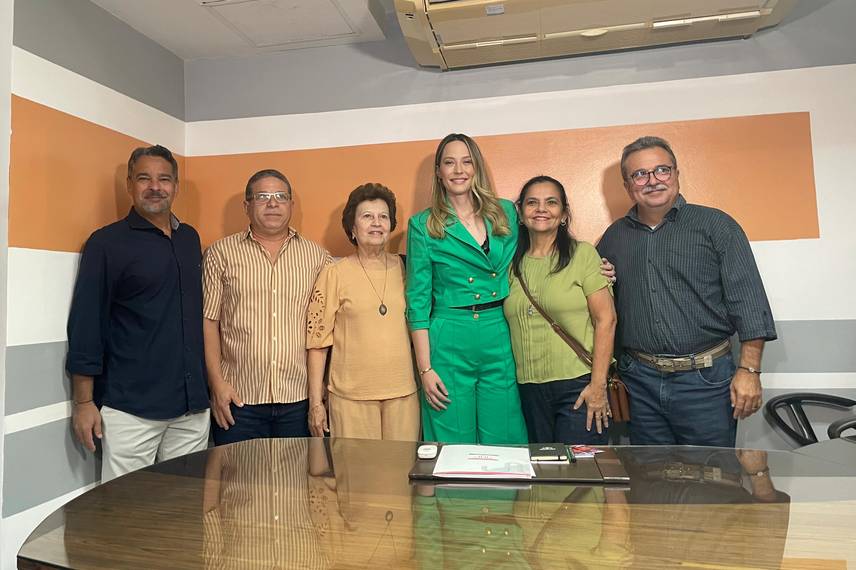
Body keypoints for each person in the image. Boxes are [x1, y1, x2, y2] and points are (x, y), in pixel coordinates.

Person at [598, 136, 777, 447]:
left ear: (677, 174)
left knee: (711, 483)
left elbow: (748, 302)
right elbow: (601, 307)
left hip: (706, 382)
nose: (652, 181)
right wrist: (600, 275)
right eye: (640, 174)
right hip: (639, 382)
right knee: (650, 481)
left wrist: (750, 370)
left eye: (662, 170)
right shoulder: (614, 237)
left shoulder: (717, 226)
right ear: (628, 185)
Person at [66, 145, 210, 482]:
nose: (155, 187)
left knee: (185, 508)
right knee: (126, 512)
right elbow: (86, 324)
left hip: (190, 408)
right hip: (131, 408)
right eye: (144, 178)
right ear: (130, 184)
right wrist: (83, 402)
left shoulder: (189, 239)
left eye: (164, 179)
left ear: (176, 186)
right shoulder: (106, 243)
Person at [405, 133, 528, 444]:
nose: (458, 170)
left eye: (466, 161)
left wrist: (600, 266)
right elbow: (417, 302)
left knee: (504, 438)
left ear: (477, 168)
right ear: (438, 171)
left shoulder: (505, 212)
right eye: (449, 162)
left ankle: (500, 494)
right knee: (452, 441)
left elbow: (534, 255)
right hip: (448, 337)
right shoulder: (423, 224)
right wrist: (425, 369)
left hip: (497, 330)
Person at [203, 169, 330, 445]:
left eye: (280, 196)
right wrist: (217, 385)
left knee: (294, 485)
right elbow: (209, 321)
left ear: (291, 205)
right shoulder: (221, 253)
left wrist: (320, 391)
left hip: (299, 399)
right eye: (262, 196)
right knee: (239, 486)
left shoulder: (317, 258)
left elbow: (328, 328)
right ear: (246, 206)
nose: (272, 203)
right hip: (238, 399)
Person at [505, 175, 617, 444]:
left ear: (564, 214)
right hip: (527, 390)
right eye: (532, 202)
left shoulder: (583, 255)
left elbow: (607, 320)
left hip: (579, 387)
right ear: (520, 213)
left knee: (581, 478)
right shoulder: (508, 263)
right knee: (540, 476)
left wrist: (598, 386)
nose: (541, 209)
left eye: (551, 202)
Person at [306, 183, 419, 441]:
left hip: (403, 395)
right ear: (353, 228)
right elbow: (317, 343)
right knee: (356, 478)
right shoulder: (334, 273)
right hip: (350, 399)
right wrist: (315, 403)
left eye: (383, 217)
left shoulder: (408, 268)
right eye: (367, 217)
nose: (376, 223)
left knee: (400, 477)